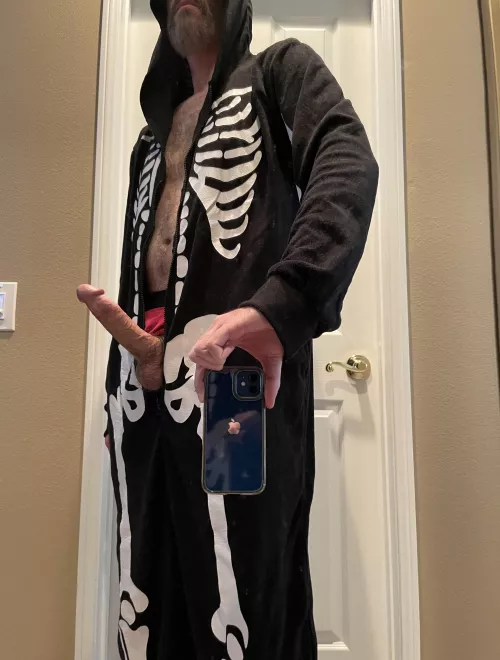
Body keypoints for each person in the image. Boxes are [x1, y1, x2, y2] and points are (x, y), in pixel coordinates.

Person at [77, 0, 379, 657]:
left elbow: (348, 160)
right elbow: (144, 271)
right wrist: (120, 389)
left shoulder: (279, 74)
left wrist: (285, 302)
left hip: (232, 389)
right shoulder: (149, 141)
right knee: (145, 590)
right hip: (141, 395)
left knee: (243, 590)